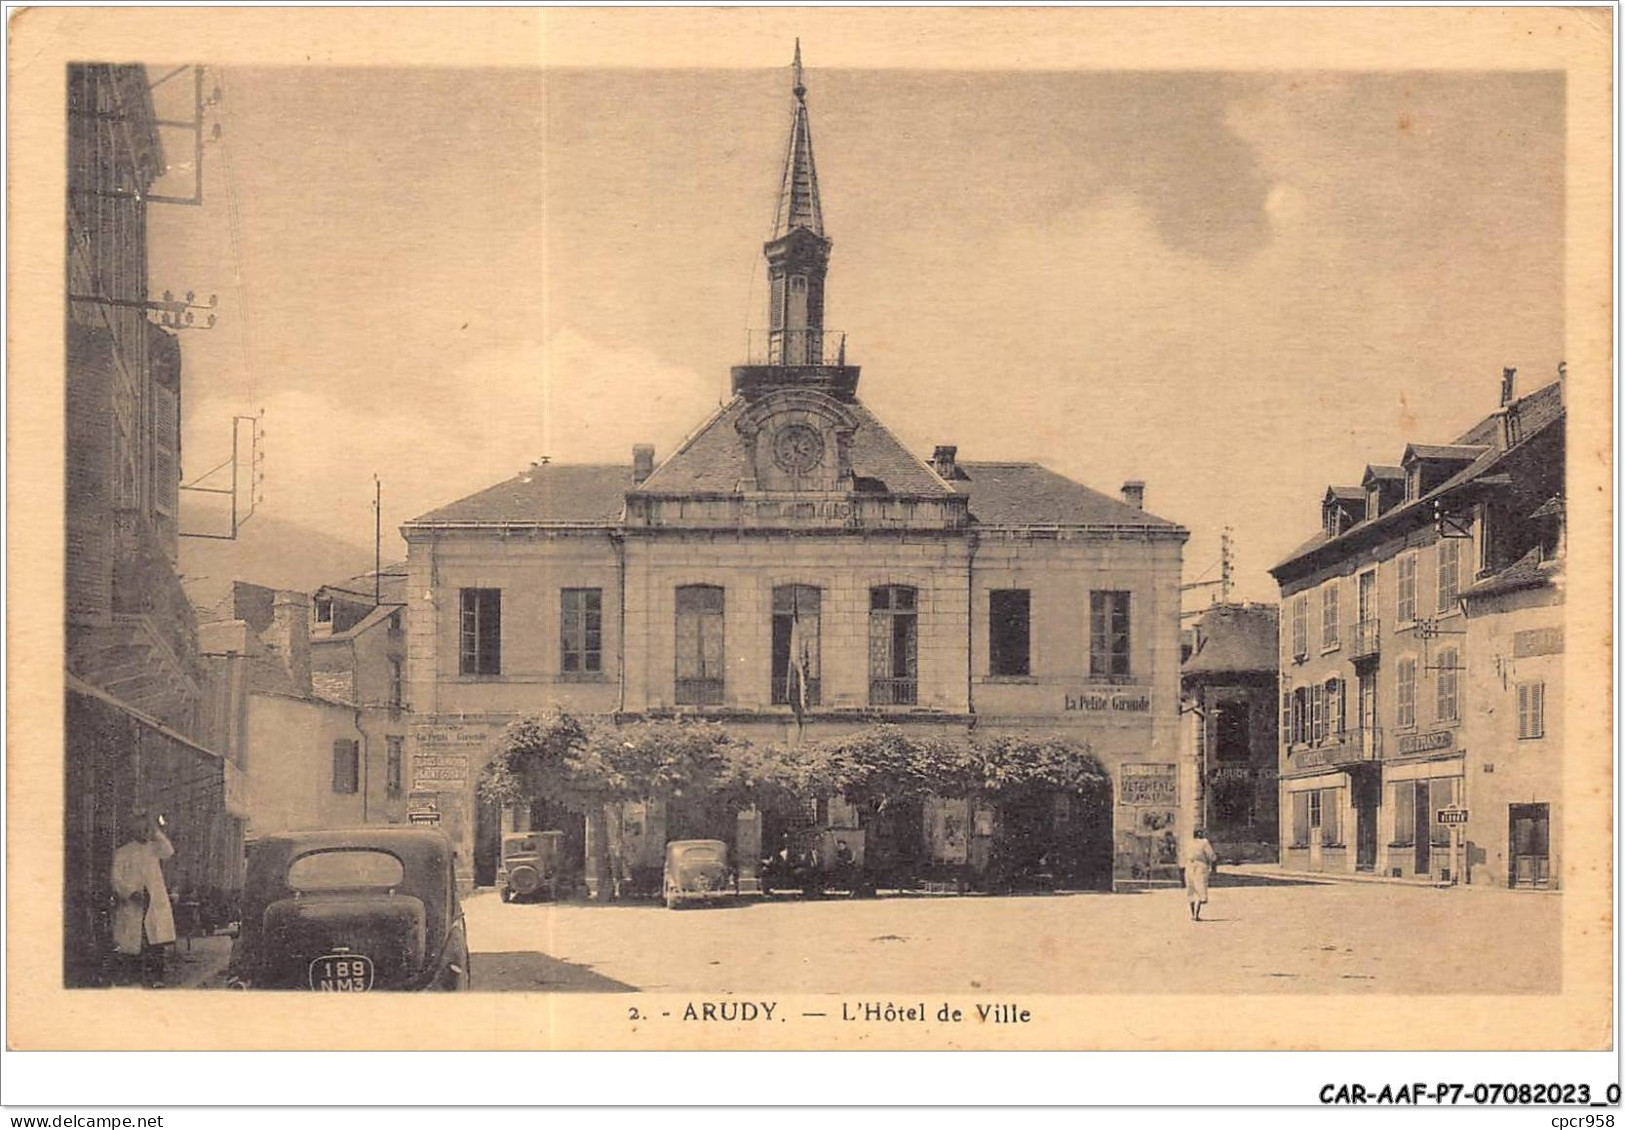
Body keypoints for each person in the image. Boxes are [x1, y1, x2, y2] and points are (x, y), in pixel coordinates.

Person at [111, 811, 176, 987]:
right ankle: (133, 976)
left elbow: (169, 851)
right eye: (139, 830)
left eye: (145, 829)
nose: (143, 833)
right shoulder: (123, 852)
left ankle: (157, 978)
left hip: (153, 899)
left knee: (155, 940)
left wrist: (156, 831)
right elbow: (116, 877)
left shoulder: (154, 849)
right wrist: (130, 891)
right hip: (135, 900)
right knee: (133, 942)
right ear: (133, 831)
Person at [1185, 828, 1218, 922]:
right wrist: (1214, 866)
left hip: (1189, 865)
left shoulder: (1188, 842)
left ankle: (1192, 914)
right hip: (1200, 866)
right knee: (1200, 886)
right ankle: (1196, 914)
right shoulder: (1204, 842)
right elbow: (1212, 856)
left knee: (1190, 888)